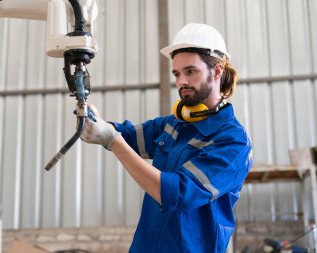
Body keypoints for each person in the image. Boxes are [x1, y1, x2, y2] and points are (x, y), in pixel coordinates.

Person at [80, 23, 253, 253]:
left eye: (190, 71)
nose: (181, 81)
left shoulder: (233, 142)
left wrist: (112, 140)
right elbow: (130, 135)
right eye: (177, 73)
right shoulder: (176, 123)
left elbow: (177, 194)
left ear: (218, 71)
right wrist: (99, 125)